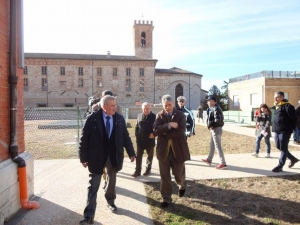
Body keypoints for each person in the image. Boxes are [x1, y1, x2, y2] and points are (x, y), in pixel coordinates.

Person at [78, 95, 135, 224]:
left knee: (111, 182)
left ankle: (111, 202)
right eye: (112, 106)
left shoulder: (119, 119)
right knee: (93, 186)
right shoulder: (92, 119)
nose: (115, 107)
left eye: (115, 105)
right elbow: (84, 140)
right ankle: (89, 215)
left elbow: (125, 137)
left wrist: (131, 152)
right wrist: (83, 157)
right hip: (96, 157)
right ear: (104, 107)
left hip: (113, 156)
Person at [153, 95, 190, 208]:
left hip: (178, 150)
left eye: (169, 105)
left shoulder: (180, 115)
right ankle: (166, 199)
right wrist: (169, 125)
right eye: (165, 106)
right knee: (165, 177)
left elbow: (181, 131)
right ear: (163, 105)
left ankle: (182, 185)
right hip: (163, 151)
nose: (167, 108)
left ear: (173, 103)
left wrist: (165, 133)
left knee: (178, 174)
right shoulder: (159, 115)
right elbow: (155, 130)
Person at [271, 91, 299, 172]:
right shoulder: (277, 106)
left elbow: (294, 119)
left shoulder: (288, 106)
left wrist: (292, 129)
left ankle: (280, 166)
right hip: (277, 130)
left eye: (278, 97)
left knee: (283, 148)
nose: (275, 98)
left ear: (282, 97)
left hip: (285, 130)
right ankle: (293, 159)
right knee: (278, 146)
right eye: (275, 97)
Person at [202, 96, 227, 169]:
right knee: (212, 145)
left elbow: (218, 120)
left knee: (217, 146)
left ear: (213, 101)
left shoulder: (216, 108)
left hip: (216, 129)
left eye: (209, 101)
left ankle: (223, 163)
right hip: (214, 129)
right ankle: (209, 159)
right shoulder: (212, 108)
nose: (207, 102)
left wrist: (212, 125)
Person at [132, 102, 156, 178]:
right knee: (138, 157)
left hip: (150, 140)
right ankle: (137, 171)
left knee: (150, 157)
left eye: (147, 109)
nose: (145, 110)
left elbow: (157, 127)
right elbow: (136, 127)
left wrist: (154, 134)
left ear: (150, 109)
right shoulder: (139, 116)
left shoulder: (154, 117)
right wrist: (136, 135)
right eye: (144, 109)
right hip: (140, 141)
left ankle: (148, 170)